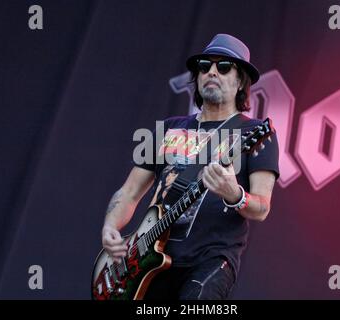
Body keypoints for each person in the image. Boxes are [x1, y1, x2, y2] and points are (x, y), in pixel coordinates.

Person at [101, 34, 279, 300]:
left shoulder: (252, 132)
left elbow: (262, 207)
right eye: (204, 66)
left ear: (241, 80)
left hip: (210, 260)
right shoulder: (168, 128)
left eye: (223, 67)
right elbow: (129, 192)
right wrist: (110, 227)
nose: (212, 72)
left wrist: (235, 195)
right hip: (149, 261)